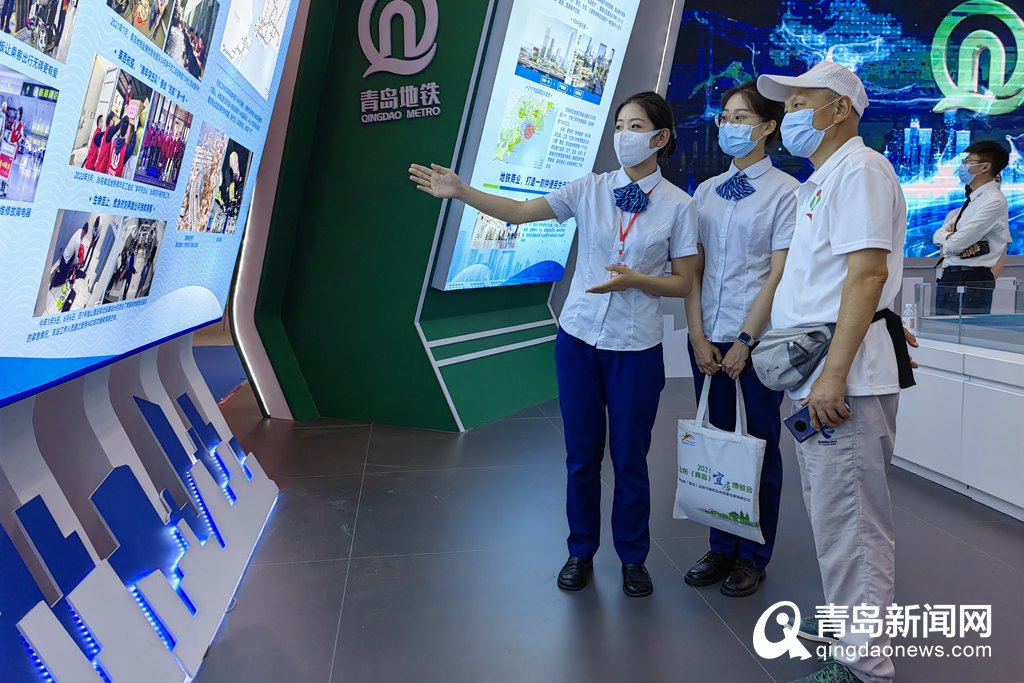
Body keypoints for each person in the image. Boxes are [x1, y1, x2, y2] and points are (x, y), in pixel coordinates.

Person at [410, 92, 698, 598]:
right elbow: (519, 212)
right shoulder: (590, 188)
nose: (623, 136)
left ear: (661, 137)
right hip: (579, 338)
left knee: (631, 459)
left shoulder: (680, 205)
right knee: (581, 456)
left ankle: (633, 558)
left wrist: (637, 280)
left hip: (636, 347)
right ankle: (579, 550)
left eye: (635, 127)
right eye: (619, 125)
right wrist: (460, 191)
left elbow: (683, 282)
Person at [756, 61, 912, 683]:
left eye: (800, 104)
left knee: (852, 522)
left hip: (837, 380)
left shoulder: (861, 171)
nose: (789, 116)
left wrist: (832, 377)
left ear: (840, 108)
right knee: (835, 515)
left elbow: (868, 274)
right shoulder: (824, 179)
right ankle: (853, 637)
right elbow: (846, 280)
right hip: (820, 369)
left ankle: (863, 665)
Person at [683, 81, 797, 598]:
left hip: (757, 343)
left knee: (759, 446)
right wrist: (697, 335)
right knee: (715, 444)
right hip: (707, 338)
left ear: (768, 127)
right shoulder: (706, 191)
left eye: (741, 117)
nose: (729, 126)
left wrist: (746, 340)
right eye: (725, 117)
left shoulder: (786, 192)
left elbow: (777, 274)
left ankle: (753, 553)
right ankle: (720, 543)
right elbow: (693, 270)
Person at [932, 140, 1011, 316]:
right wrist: (950, 238)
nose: (963, 166)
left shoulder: (993, 201)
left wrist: (952, 240)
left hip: (971, 280)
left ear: (985, 167)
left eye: (968, 161)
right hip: (951, 278)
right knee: (940, 330)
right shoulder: (973, 200)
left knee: (966, 332)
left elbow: (955, 244)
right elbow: (937, 236)